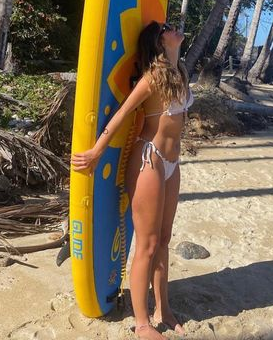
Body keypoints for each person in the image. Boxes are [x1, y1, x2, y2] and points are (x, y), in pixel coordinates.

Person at [71, 21, 192, 339]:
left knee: (164, 240)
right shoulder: (152, 78)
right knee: (148, 244)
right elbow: (123, 113)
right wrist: (97, 151)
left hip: (172, 162)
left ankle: (162, 309)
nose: (176, 28)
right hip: (148, 159)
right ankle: (141, 323)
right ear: (158, 41)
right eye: (168, 27)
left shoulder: (178, 74)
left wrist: (174, 52)